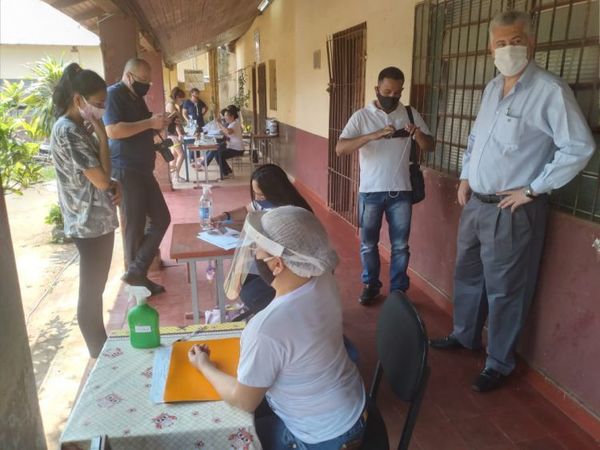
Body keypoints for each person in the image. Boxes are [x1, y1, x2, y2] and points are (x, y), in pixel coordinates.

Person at [429, 11, 595, 393]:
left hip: (513, 208)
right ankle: (465, 334)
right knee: (467, 274)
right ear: (491, 48)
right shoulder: (491, 89)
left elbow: (579, 146)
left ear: (531, 43)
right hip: (476, 202)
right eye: (501, 43)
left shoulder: (549, 91)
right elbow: (475, 139)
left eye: (516, 40)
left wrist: (534, 189)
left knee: (506, 288)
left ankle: (499, 362)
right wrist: (466, 177)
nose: (509, 49)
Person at [188, 206, 366, 449]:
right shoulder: (323, 278)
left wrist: (203, 365)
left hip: (322, 437)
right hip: (353, 409)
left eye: (259, 251)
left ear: (278, 264)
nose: (256, 256)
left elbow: (243, 401)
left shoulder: (266, 328)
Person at [336, 66, 434, 305]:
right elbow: (340, 149)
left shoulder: (410, 113)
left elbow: (429, 146)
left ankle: (399, 289)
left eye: (397, 93)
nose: (392, 97)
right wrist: (372, 135)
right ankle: (371, 284)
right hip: (370, 191)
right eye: (387, 91)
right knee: (368, 244)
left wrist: (417, 134)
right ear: (376, 89)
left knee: (400, 245)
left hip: (401, 191)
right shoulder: (361, 116)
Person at [50, 63, 121, 358]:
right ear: (78, 99)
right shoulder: (68, 130)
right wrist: (104, 137)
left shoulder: (80, 127)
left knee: (96, 288)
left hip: (97, 220)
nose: (102, 110)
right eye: (99, 104)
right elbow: (102, 178)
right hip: (87, 222)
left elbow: (103, 176)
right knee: (91, 293)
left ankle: (100, 349)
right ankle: (99, 353)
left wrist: (112, 184)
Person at [103, 58, 172, 295]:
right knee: (134, 226)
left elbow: (144, 126)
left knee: (162, 218)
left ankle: (137, 270)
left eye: (149, 81)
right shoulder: (113, 95)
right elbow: (112, 130)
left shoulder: (136, 97)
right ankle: (137, 276)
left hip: (143, 169)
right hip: (125, 169)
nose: (147, 85)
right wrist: (149, 122)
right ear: (129, 76)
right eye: (143, 80)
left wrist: (159, 123)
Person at [211, 163, 313, 313]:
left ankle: (279, 313)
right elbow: (247, 209)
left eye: (261, 194)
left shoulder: (291, 213)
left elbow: (283, 256)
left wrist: (244, 263)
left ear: (275, 190)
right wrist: (225, 216)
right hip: (272, 261)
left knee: (250, 293)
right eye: (255, 193)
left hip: (292, 270)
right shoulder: (265, 202)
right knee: (244, 280)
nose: (257, 198)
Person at [205, 104, 244, 179]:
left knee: (219, 155)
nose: (224, 117)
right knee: (217, 150)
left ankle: (227, 172)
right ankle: (228, 172)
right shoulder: (232, 123)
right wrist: (219, 124)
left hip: (237, 149)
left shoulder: (235, 124)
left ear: (232, 116)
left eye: (226, 116)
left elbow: (228, 131)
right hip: (232, 147)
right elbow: (225, 132)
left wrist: (219, 123)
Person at [165, 86, 186, 182]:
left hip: (172, 133)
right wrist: (179, 134)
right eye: (182, 98)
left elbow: (176, 122)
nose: (182, 100)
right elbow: (173, 121)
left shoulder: (173, 105)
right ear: (177, 96)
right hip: (171, 134)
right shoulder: (171, 105)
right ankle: (176, 175)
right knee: (181, 154)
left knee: (174, 155)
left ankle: (173, 175)